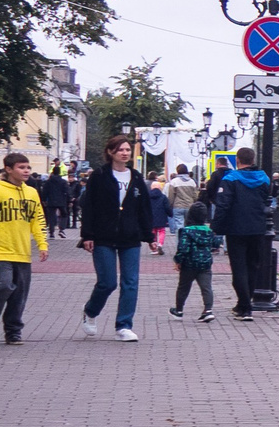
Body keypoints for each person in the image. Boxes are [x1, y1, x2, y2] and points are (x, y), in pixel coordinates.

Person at [78, 134, 159, 340]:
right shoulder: (99, 175)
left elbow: (144, 209)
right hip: (103, 236)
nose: (125, 153)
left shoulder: (136, 177)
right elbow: (89, 207)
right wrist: (87, 235)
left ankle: (123, 326)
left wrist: (150, 237)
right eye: (120, 150)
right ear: (110, 152)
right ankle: (90, 311)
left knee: (130, 282)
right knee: (107, 282)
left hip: (130, 237)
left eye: (127, 150)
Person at [0, 151, 48, 344]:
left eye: (28, 167)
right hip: (0, 249)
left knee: (19, 295)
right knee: (3, 285)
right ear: (8, 169)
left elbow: (38, 220)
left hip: (22, 251)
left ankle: (13, 330)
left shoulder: (32, 193)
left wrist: (42, 244)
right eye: (21, 167)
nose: (26, 171)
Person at [209, 147, 275, 322]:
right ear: (253, 160)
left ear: (237, 160)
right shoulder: (264, 178)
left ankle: (245, 308)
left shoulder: (230, 179)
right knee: (252, 266)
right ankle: (242, 304)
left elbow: (223, 205)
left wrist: (215, 227)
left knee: (239, 268)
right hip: (258, 228)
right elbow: (266, 199)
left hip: (236, 229)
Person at [170, 201, 222, 321]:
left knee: (183, 287)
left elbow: (183, 248)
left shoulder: (186, 231)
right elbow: (216, 243)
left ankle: (179, 310)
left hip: (189, 264)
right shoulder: (208, 231)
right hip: (205, 264)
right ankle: (208, 310)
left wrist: (178, 260)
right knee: (206, 287)